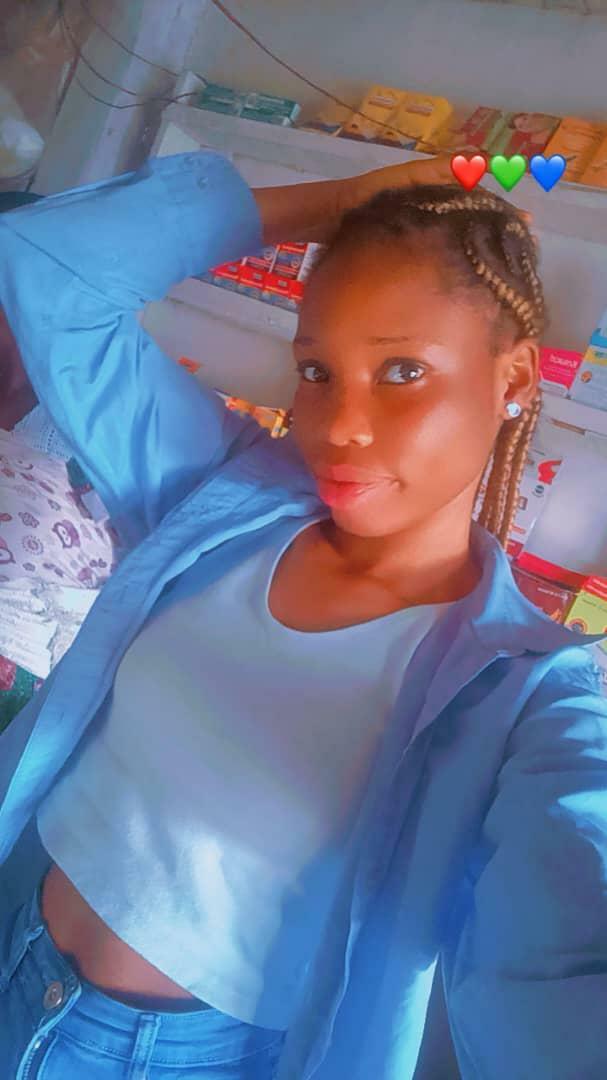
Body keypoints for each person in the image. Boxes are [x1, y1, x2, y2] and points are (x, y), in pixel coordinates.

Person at [0, 148, 605, 1080]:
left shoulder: (524, 693)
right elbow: (48, 270)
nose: (337, 425)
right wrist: (329, 202)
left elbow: (567, 945)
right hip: (17, 932)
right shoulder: (223, 496)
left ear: (515, 377)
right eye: (316, 370)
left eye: (401, 370)